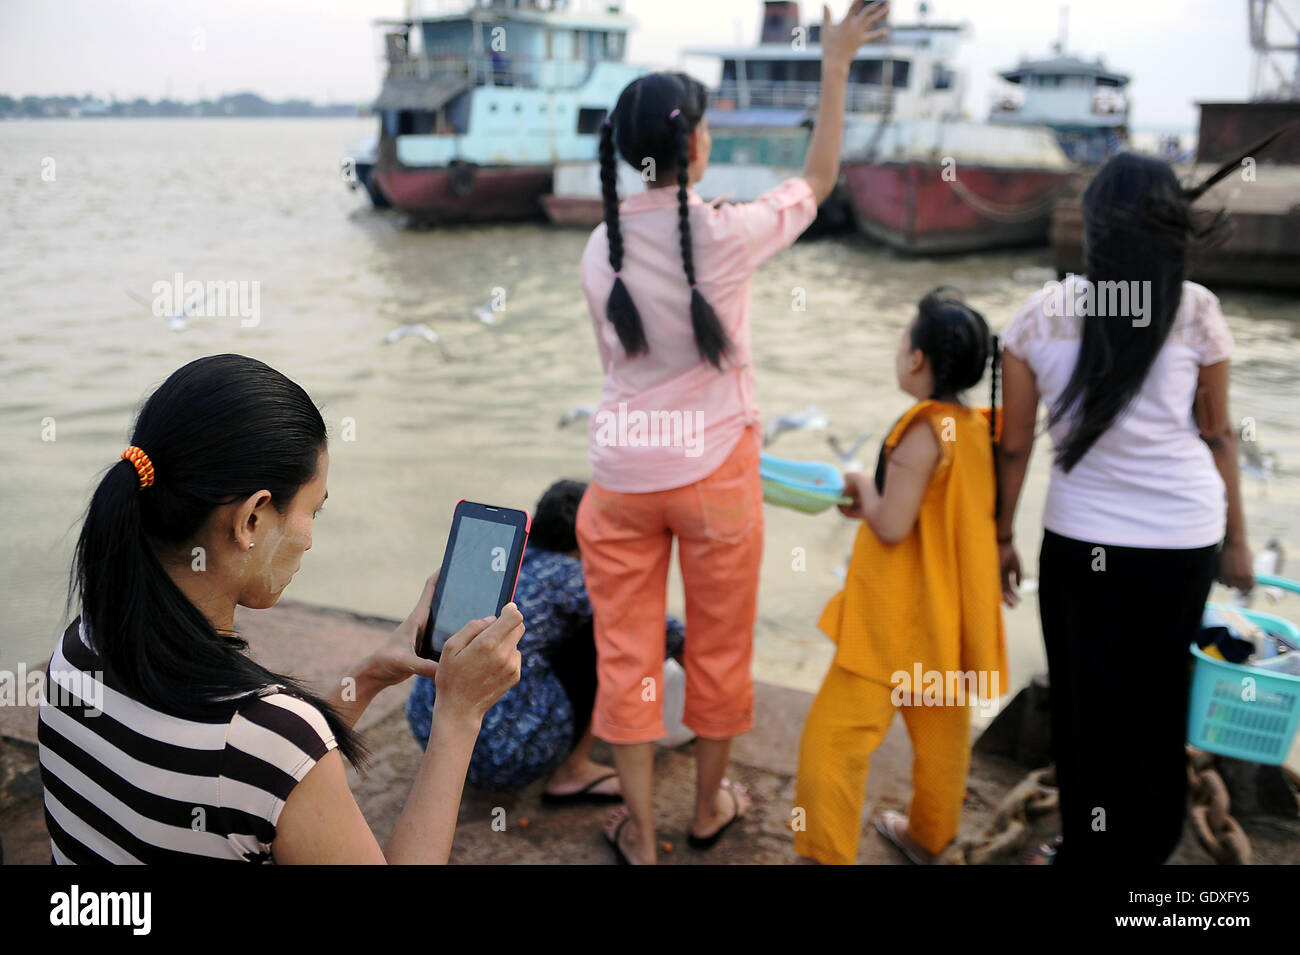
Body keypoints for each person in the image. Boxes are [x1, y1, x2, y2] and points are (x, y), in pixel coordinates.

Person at [576, 1, 891, 865]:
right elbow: (818, 181)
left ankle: (638, 835)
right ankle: (708, 805)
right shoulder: (726, 232)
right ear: (699, 145)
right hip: (715, 473)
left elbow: (618, 359)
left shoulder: (597, 248)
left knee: (628, 657)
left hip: (621, 479)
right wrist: (835, 67)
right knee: (720, 649)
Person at [38, 354, 524, 864]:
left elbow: (271, 761)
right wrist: (458, 715)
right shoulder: (266, 742)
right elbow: (273, 755)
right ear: (251, 518)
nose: (310, 539)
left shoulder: (79, 647)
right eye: (313, 511)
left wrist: (373, 674)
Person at [996, 153, 1254, 865]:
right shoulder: (1196, 308)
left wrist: (999, 535)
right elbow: (1218, 433)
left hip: (1082, 543)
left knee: (1085, 701)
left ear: (1094, 230)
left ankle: (1090, 842)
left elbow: (1013, 447)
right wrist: (1239, 541)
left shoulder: (1040, 314)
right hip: (1184, 539)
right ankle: (1150, 846)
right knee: (1159, 695)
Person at [793, 288, 1007, 865]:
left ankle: (823, 853)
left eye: (903, 339)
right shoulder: (979, 428)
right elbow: (935, 517)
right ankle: (929, 837)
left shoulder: (921, 429)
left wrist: (862, 486)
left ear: (916, 360)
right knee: (942, 738)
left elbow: (892, 526)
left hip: (892, 622)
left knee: (833, 742)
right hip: (945, 622)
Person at [405, 479, 686, 800]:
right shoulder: (569, 573)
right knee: (612, 629)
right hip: (505, 759)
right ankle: (572, 772)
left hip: (432, 736)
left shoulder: (499, 560)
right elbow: (662, 628)